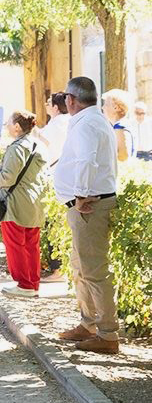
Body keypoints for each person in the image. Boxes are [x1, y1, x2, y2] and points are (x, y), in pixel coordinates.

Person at [52, 77, 120, 354]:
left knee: (93, 271)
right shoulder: (92, 119)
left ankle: (107, 334)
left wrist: (80, 194)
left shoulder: (87, 123)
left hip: (89, 205)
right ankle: (89, 324)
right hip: (88, 204)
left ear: (70, 100)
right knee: (82, 268)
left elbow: (86, 161)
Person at [0, 111, 46, 298]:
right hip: (34, 201)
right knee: (32, 245)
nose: (6, 125)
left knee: (15, 244)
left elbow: (7, 178)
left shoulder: (17, 148)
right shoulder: (37, 145)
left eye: (8, 122)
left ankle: (24, 284)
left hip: (15, 202)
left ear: (16, 126)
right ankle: (32, 283)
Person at [101, 89, 135, 161]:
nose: (102, 107)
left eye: (106, 104)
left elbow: (123, 157)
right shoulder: (121, 125)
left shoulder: (120, 127)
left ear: (116, 108)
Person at [37, 92, 70, 165]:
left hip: (57, 166)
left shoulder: (58, 123)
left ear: (55, 108)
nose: (45, 104)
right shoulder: (66, 119)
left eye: (48, 103)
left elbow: (42, 141)